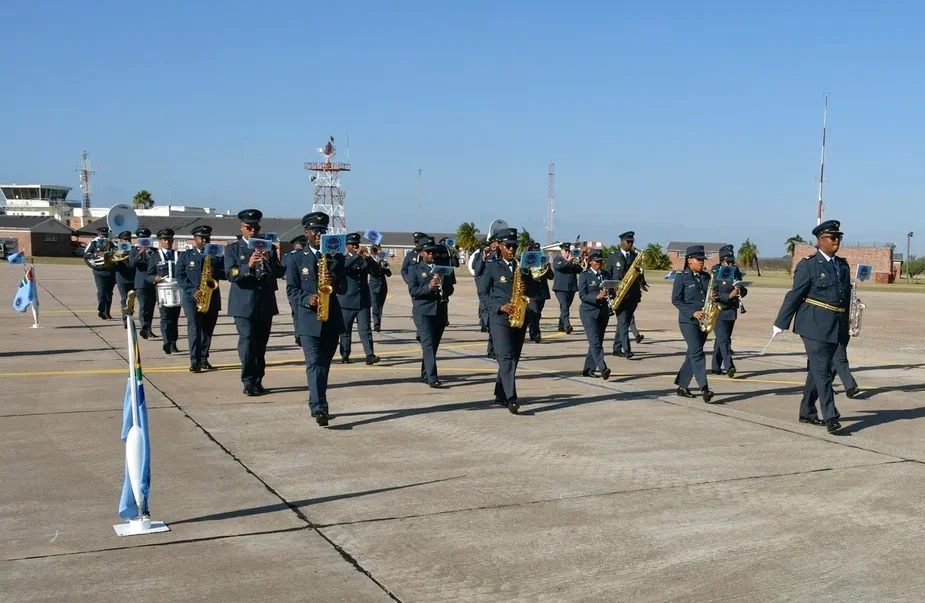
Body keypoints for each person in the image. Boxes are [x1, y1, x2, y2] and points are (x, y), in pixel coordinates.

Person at [774, 220, 851, 433]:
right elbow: (795, 295)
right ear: (820, 241)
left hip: (836, 326)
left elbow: (845, 295)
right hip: (812, 325)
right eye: (832, 237)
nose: (836, 241)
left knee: (827, 370)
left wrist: (848, 318)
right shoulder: (808, 265)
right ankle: (831, 416)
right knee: (822, 371)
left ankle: (807, 410)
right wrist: (781, 322)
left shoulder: (842, 265)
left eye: (839, 237)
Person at [285, 212, 346, 426]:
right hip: (309, 319)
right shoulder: (295, 258)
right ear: (307, 232)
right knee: (314, 363)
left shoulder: (336, 257)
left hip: (331, 319)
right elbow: (291, 290)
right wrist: (306, 298)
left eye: (323, 230)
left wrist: (335, 279)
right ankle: (319, 407)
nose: (319, 234)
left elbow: (344, 287)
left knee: (324, 365)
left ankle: (318, 401)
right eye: (315, 230)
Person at [224, 209, 285, 396]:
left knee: (260, 345)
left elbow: (279, 273)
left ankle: (258, 379)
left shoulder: (268, 247)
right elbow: (230, 274)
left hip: (264, 303)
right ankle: (248, 380)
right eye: (249, 227)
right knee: (248, 341)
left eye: (256, 227)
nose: (253, 231)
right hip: (243, 304)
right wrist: (248, 266)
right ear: (242, 228)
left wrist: (269, 260)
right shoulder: (233, 248)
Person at [482, 228, 528, 414]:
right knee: (506, 357)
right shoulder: (490, 266)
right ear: (499, 246)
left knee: (513, 358)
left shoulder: (521, 267)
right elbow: (483, 294)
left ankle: (500, 393)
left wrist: (527, 286)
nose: (512, 249)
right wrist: (500, 306)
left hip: (518, 316)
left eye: (514, 246)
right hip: (499, 317)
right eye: (508, 246)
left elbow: (536, 290)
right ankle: (511, 398)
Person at [671, 245, 718, 403]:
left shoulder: (706, 277)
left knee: (692, 353)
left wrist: (714, 296)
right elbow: (676, 300)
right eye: (698, 260)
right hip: (688, 321)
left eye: (702, 260)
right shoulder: (681, 277)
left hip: (704, 321)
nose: (701, 263)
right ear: (689, 260)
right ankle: (704, 388)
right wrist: (692, 312)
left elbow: (710, 297)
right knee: (698, 353)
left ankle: (682, 386)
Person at [177, 225, 224, 373]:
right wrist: (192, 290)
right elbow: (179, 276)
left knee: (208, 330)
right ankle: (195, 361)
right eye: (201, 238)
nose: (204, 240)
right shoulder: (186, 256)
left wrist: (216, 271)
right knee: (194, 329)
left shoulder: (216, 255)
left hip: (211, 297)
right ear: (195, 239)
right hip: (193, 298)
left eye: (206, 238)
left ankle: (204, 358)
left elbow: (226, 273)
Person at [408, 239, 455, 387]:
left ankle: (425, 374)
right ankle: (433, 377)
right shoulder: (414, 269)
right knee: (427, 344)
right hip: (423, 311)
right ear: (422, 253)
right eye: (428, 252)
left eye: (433, 252)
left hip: (439, 310)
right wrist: (429, 286)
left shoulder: (441, 268)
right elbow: (413, 291)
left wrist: (444, 282)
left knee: (433, 345)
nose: (431, 254)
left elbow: (450, 290)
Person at [338, 232, 381, 365]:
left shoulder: (363, 258)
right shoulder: (342, 258)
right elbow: (344, 269)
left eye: (356, 244)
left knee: (365, 329)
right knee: (345, 330)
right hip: (346, 300)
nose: (355, 246)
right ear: (347, 246)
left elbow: (375, 272)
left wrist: (370, 258)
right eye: (352, 244)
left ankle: (370, 354)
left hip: (362, 301)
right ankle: (345, 354)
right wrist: (356, 256)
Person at [606, 231, 648, 358]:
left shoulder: (635, 255)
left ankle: (616, 348)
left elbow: (640, 273)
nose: (630, 244)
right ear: (621, 242)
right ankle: (627, 349)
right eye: (628, 242)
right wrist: (610, 290)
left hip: (633, 294)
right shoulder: (613, 256)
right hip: (619, 294)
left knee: (624, 321)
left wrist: (642, 281)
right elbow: (608, 274)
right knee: (623, 321)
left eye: (632, 242)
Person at [711, 251, 747, 378]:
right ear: (722, 261)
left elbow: (743, 290)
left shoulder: (735, 271)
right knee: (724, 340)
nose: (731, 264)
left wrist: (741, 289)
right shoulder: (716, 272)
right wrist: (728, 296)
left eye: (732, 262)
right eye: (728, 262)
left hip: (731, 311)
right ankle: (729, 365)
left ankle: (715, 367)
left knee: (721, 339)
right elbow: (712, 294)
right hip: (719, 310)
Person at [578, 250, 612, 380]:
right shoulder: (584, 275)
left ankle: (588, 369)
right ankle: (603, 367)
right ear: (590, 262)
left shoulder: (605, 274)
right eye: (596, 261)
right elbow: (582, 295)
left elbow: (610, 291)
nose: (599, 264)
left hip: (603, 312)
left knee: (598, 341)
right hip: (588, 312)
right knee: (594, 341)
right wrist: (596, 297)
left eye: (601, 261)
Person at [148, 228, 182, 355]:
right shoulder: (155, 257)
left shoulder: (179, 255)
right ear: (160, 241)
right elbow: (148, 275)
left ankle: (173, 342)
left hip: (176, 290)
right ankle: (167, 342)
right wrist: (154, 278)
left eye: (170, 239)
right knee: (165, 318)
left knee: (174, 318)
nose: (167, 242)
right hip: (163, 292)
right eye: (165, 240)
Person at [129, 227, 156, 339]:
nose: (144, 240)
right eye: (142, 238)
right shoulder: (134, 251)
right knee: (143, 307)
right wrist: (140, 253)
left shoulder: (154, 251)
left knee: (151, 307)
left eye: (146, 238)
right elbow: (131, 265)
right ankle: (144, 328)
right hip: (141, 283)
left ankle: (148, 328)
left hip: (152, 283)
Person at [84, 226, 116, 320]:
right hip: (99, 272)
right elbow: (86, 255)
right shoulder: (93, 243)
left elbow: (118, 253)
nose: (103, 236)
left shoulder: (111, 243)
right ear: (98, 234)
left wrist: (111, 247)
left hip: (111, 271)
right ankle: (101, 311)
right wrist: (96, 254)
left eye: (105, 235)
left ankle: (107, 312)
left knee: (109, 293)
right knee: (102, 292)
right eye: (102, 234)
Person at [552, 241, 582, 334]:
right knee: (564, 306)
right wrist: (568, 261)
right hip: (560, 288)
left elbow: (579, 270)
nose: (567, 253)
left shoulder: (571, 261)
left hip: (571, 288)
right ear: (561, 251)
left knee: (565, 307)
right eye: (566, 250)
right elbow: (560, 267)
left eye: (569, 251)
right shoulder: (557, 259)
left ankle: (561, 325)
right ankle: (567, 325)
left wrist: (575, 263)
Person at [526, 241, 552, 343]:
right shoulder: (527, 262)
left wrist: (548, 268)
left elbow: (551, 277)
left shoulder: (543, 262)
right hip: (532, 292)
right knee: (535, 313)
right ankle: (536, 334)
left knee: (538, 314)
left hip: (542, 292)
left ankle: (532, 329)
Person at [285, 235, 307, 346]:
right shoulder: (290, 256)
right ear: (294, 246)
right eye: (300, 244)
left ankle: (303, 334)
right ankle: (298, 334)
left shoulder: (308, 255)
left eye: (303, 244)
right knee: (297, 313)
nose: (301, 246)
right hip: (294, 288)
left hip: (306, 289)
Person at [113, 230, 136, 328]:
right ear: (120, 240)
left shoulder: (134, 250)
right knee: (124, 299)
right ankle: (125, 319)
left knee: (131, 299)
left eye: (129, 239)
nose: (127, 241)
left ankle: (130, 316)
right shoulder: (115, 251)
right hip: (122, 278)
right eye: (125, 239)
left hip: (133, 277)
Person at [368, 244, 391, 332]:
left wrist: (384, 264)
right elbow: (373, 272)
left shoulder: (383, 261)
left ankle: (378, 321)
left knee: (380, 306)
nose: (377, 252)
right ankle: (376, 324)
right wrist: (378, 263)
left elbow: (389, 274)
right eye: (375, 250)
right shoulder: (369, 260)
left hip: (383, 286)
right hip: (373, 286)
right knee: (375, 305)